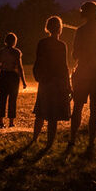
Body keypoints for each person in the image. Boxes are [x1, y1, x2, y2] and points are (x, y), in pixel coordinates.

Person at [68, 2, 96, 148]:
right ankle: (91, 142)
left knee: (77, 107)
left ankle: (72, 139)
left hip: (83, 73)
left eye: (82, 10)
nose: (80, 12)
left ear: (88, 12)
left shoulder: (81, 31)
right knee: (95, 110)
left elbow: (75, 55)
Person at [32, 16, 71, 146]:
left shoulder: (42, 43)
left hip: (45, 81)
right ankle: (49, 143)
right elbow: (64, 66)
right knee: (53, 115)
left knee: (40, 111)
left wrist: (38, 76)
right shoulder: (62, 45)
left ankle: (34, 138)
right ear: (60, 29)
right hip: (58, 82)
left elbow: (38, 61)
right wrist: (68, 85)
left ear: (47, 28)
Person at [0, 33, 26, 128]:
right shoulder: (16, 52)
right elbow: (20, 67)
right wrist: (23, 81)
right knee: (12, 99)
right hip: (13, 76)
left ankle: (1, 121)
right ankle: (11, 122)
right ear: (14, 42)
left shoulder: (1, 52)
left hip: (4, 75)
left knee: (2, 98)